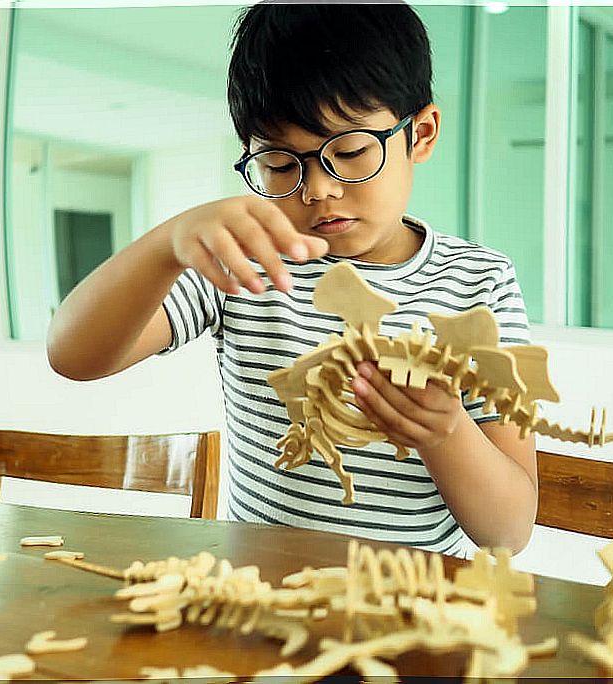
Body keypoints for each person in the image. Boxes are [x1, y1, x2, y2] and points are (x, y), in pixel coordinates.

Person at [47, 1, 537, 556]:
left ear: (419, 134)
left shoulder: (480, 282)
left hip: (411, 617)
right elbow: (75, 356)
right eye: (281, 165)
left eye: (349, 152)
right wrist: (167, 245)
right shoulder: (247, 258)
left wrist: (445, 432)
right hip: (258, 605)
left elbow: (509, 531)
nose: (318, 189)